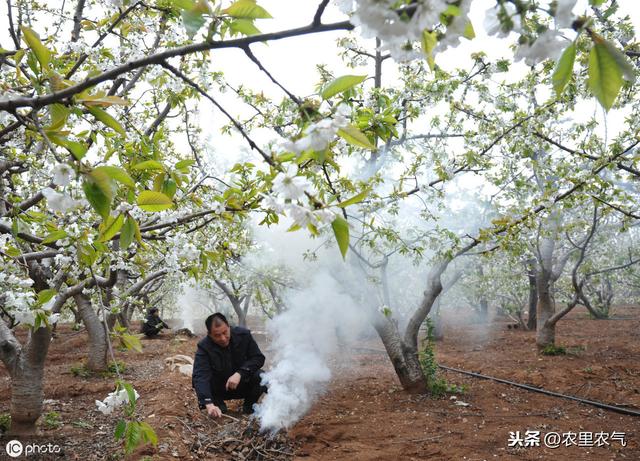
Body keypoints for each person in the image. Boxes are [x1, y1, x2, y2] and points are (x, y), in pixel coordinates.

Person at [192, 313, 267, 417]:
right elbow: (200, 375)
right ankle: (218, 406)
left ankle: (249, 406)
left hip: (242, 385)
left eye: (225, 332)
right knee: (218, 412)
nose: (223, 338)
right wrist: (208, 404)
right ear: (209, 334)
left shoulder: (244, 335)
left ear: (228, 326)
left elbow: (258, 358)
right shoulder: (204, 347)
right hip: (220, 389)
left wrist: (240, 373)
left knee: (261, 375)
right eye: (217, 335)